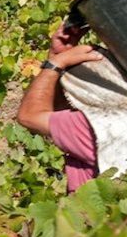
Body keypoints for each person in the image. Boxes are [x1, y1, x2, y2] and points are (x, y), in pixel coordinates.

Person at [15, 23, 104, 193]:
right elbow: (62, 116)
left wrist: (55, 64)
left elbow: (29, 116)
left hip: (88, 218)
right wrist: (56, 56)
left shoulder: (100, 127)